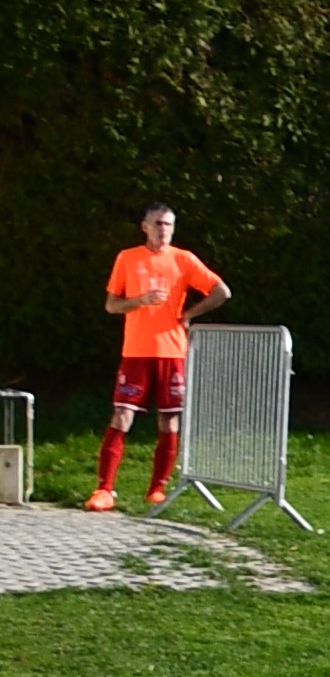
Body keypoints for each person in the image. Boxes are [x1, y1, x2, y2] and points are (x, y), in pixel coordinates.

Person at [88, 204, 229, 512]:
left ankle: (157, 489)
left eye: (168, 224)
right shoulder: (128, 258)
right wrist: (140, 300)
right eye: (158, 224)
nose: (163, 229)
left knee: (169, 420)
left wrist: (188, 315)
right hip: (136, 350)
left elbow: (221, 291)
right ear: (145, 227)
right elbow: (112, 305)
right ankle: (104, 489)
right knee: (122, 416)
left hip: (172, 351)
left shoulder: (183, 259)